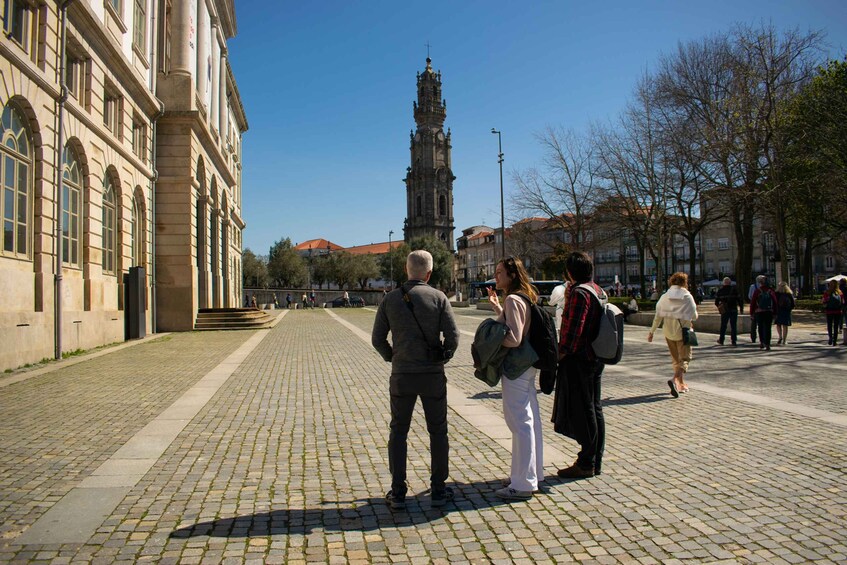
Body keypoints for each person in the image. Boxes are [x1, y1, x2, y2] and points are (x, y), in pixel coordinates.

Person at [371, 250, 459, 510]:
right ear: (429, 273)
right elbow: (453, 338)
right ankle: (439, 490)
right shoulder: (439, 298)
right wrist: (441, 358)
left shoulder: (391, 300)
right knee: (438, 431)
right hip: (432, 375)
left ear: (406, 270)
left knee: (398, 431)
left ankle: (398, 492)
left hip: (402, 375)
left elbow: (377, 339)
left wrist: (393, 356)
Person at [486, 256, 545, 500]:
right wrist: (498, 310)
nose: (495, 276)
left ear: (511, 275)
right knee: (530, 421)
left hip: (516, 367)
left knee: (519, 422)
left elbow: (514, 337)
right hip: (528, 366)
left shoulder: (513, 298)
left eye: (499, 272)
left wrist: (491, 338)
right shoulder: (523, 296)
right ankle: (533, 474)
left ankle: (522, 483)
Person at [552, 251, 606, 479]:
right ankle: (595, 459)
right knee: (595, 408)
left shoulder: (580, 293)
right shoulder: (597, 290)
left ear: (570, 271)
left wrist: (561, 354)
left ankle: (585, 462)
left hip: (579, 359)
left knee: (584, 411)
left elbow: (574, 328)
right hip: (595, 357)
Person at [648, 272, 699, 397]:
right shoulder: (687, 296)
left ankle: (680, 384)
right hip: (683, 332)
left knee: (676, 360)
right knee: (685, 358)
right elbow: (694, 316)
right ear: (684, 282)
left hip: (668, 332)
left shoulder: (665, 297)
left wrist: (651, 332)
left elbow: (657, 317)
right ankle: (674, 379)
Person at [750, 277, 778, 351]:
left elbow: (753, 302)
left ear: (760, 283)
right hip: (769, 311)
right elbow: (775, 302)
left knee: (760, 327)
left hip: (759, 311)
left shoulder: (757, 291)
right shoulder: (771, 291)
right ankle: (768, 344)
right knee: (768, 328)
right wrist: (775, 312)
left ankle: (762, 342)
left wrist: (752, 313)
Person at [715, 277, 741, 346]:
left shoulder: (720, 291)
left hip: (725, 311)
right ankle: (734, 341)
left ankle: (721, 340)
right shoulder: (734, 290)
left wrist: (720, 307)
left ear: (723, 283)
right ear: (730, 283)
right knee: (733, 326)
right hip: (733, 310)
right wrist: (741, 308)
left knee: (723, 326)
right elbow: (739, 300)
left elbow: (716, 302)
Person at [822, 280, 843, 346]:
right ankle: (835, 341)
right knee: (836, 326)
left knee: (829, 325)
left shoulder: (826, 292)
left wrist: (825, 305)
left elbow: (823, 301)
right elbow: (843, 302)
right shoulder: (839, 292)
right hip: (838, 311)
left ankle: (830, 338)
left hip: (829, 311)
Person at [748, 275, 764, 343]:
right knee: (763, 324)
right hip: (764, 308)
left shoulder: (752, 287)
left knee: (753, 324)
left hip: (755, 308)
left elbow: (750, 296)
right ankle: (763, 338)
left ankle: (753, 337)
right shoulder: (766, 288)